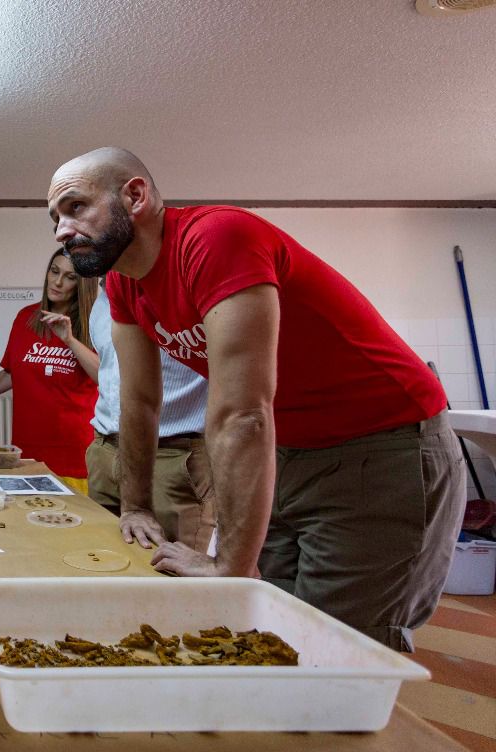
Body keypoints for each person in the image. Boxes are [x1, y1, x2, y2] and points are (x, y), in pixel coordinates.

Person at [46, 147, 464, 650]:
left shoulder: (215, 237)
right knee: (269, 630)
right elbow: (137, 401)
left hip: (381, 446)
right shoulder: (123, 283)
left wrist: (229, 566)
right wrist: (136, 507)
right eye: (55, 218)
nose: (62, 230)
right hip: (288, 452)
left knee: (336, 645)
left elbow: (243, 413)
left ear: (135, 196)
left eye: (75, 207)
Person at [0, 250, 99, 492]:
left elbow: (104, 376)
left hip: (74, 454)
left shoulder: (95, 322)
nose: (58, 282)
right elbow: (12, 371)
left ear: (81, 285)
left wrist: (70, 340)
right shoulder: (26, 317)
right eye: (54, 271)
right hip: (28, 449)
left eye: (70, 277)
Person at [85, 284, 216, 552]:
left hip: (172, 453)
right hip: (106, 448)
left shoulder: (185, 287)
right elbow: (111, 372)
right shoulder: (103, 300)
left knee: (173, 569)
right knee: (102, 561)